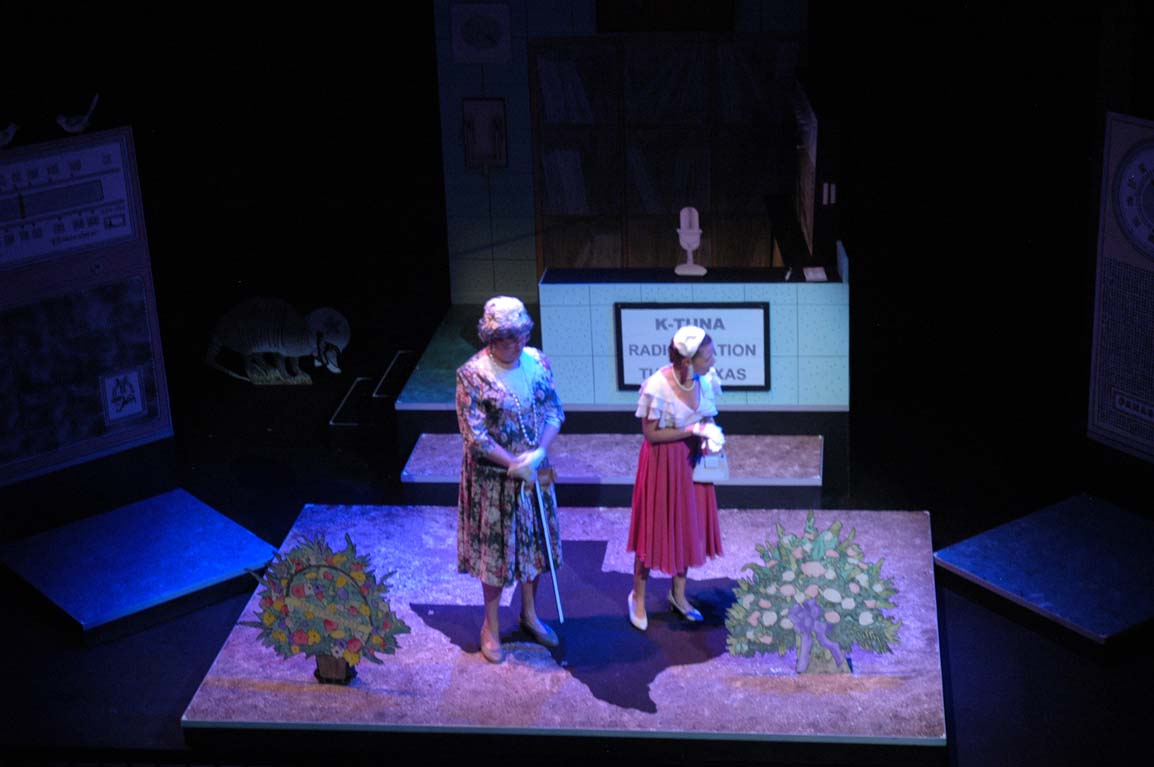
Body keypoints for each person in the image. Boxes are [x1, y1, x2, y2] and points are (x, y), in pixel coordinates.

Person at [456, 296, 565, 663]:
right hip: (495, 478)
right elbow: (474, 436)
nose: (517, 344)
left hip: (534, 470)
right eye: (508, 338)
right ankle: (491, 626)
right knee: (497, 555)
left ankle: (530, 613)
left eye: (521, 335)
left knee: (535, 546)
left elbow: (554, 410)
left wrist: (538, 453)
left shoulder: (538, 362)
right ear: (491, 338)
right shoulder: (472, 374)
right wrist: (513, 463)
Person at [626, 325, 725, 631]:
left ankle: (678, 594)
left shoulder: (706, 380)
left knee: (688, 526)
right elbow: (651, 434)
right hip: (663, 464)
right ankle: (638, 597)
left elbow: (707, 415)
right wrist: (690, 430)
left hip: (692, 461)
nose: (713, 361)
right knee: (653, 528)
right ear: (687, 361)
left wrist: (711, 434)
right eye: (707, 357)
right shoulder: (657, 386)